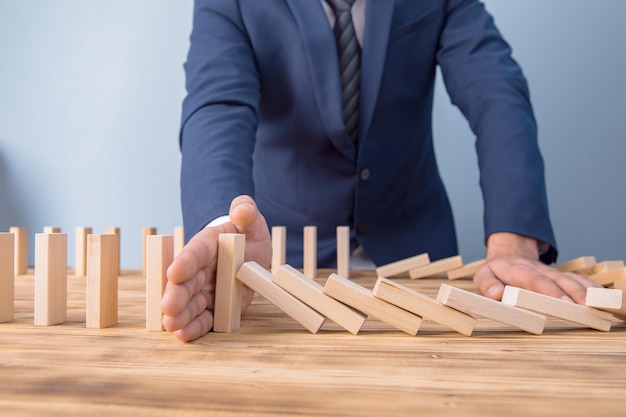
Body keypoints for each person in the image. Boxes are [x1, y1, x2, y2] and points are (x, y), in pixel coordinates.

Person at [162, 0, 600, 342]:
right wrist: (225, 226)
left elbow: (496, 92)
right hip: (282, 267)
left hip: (419, 260)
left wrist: (514, 240)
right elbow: (218, 106)